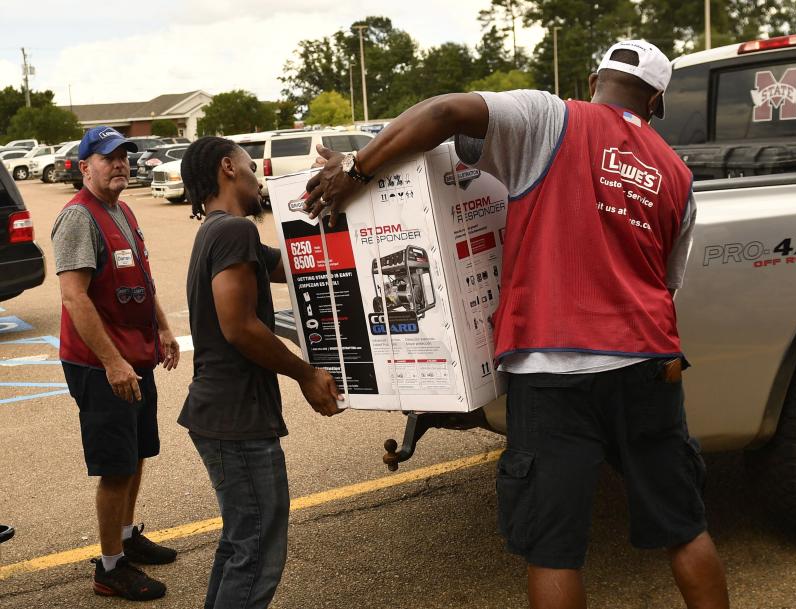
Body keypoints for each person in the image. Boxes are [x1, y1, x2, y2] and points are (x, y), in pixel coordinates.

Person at [303, 40, 729, 609]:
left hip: (552, 371)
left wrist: (357, 169)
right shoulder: (675, 172)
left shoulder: (549, 117)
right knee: (683, 525)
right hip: (648, 365)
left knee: (554, 550)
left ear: (592, 77)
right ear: (655, 102)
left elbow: (441, 114)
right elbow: (666, 281)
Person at [178, 136, 343, 609]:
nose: (258, 178)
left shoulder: (217, 232)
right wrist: (306, 374)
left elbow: (296, 264)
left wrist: (335, 190)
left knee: (240, 544)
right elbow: (239, 327)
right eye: (252, 167)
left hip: (222, 415)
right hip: (236, 419)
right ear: (228, 168)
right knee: (256, 556)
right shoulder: (233, 231)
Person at [52, 126, 180, 601]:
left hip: (134, 356)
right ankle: (109, 567)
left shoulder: (121, 209)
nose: (120, 163)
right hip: (101, 364)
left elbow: (140, 279)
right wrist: (112, 362)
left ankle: (126, 538)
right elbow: (73, 297)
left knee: (137, 451)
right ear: (84, 167)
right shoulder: (78, 219)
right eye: (108, 157)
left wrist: (163, 328)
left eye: (124, 155)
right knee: (115, 465)